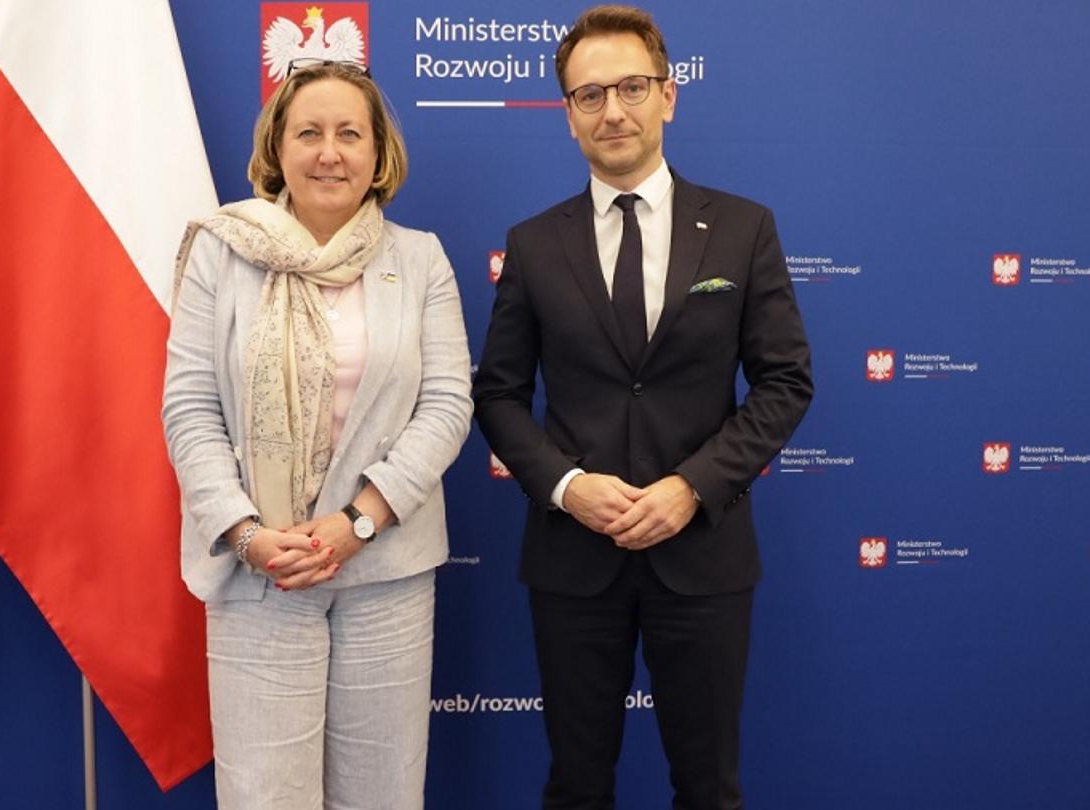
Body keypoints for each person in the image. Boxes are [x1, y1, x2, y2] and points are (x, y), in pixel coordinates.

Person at [472, 6, 813, 808]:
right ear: (568, 116)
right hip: (572, 561)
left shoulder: (741, 229)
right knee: (577, 782)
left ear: (669, 96)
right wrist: (566, 486)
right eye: (590, 95)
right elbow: (499, 393)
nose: (613, 111)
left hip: (703, 557)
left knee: (708, 785)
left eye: (631, 87)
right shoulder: (533, 243)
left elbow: (785, 381)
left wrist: (692, 486)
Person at [161, 59, 473, 808]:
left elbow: (448, 404)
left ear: (377, 156)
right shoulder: (220, 250)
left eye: (348, 134)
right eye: (309, 133)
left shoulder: (420, 258)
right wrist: (244, 534)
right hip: (260, 571)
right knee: (265, 795)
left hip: (386, 570)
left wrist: (356, 522)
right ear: (277, 150)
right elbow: (190, 407)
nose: (329, 152)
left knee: (382, 795)